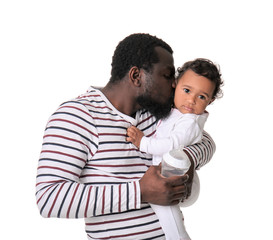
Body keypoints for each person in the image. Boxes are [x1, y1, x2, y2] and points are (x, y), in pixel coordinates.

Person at [36, 33, 216, 240]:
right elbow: (49, 199)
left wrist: (187, 159)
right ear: (136, 76)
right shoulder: (77, 116)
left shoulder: (156, 113)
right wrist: (140, 191)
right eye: (167, 76)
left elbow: (205, 141)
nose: (174, 85)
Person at [127, 58, 223, 239]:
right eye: (186, 90)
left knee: (166, 211)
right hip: (164, 173)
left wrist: (143, 142)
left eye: (201, 97)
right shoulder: (174, 111)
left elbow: (172, 143)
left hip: (174, 177)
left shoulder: (189, 122)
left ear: (209, 102)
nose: (191, 100)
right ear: (175, 85)